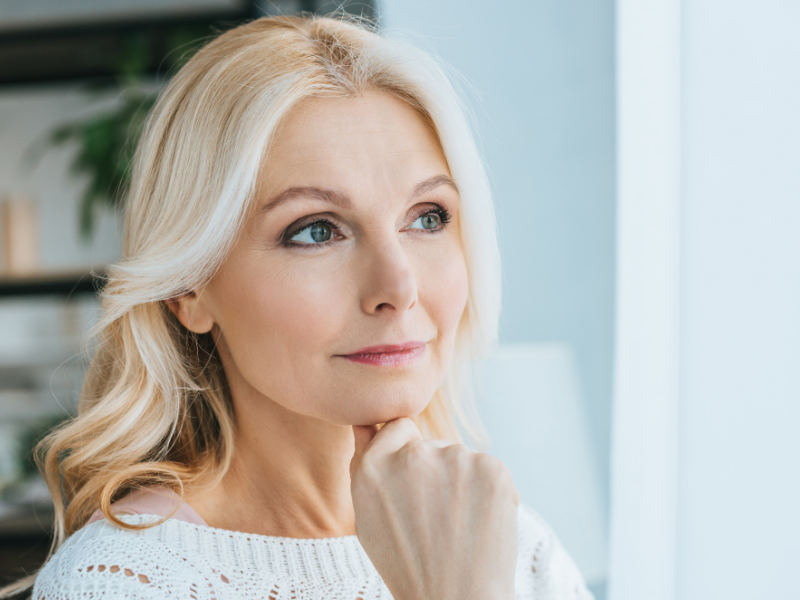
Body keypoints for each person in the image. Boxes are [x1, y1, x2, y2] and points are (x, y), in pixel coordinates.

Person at [1, 14, 593, 600]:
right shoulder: (123, 582)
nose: (399, 286)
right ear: (190, 289)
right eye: (316, 231)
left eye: (427, 217)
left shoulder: (520, 548)